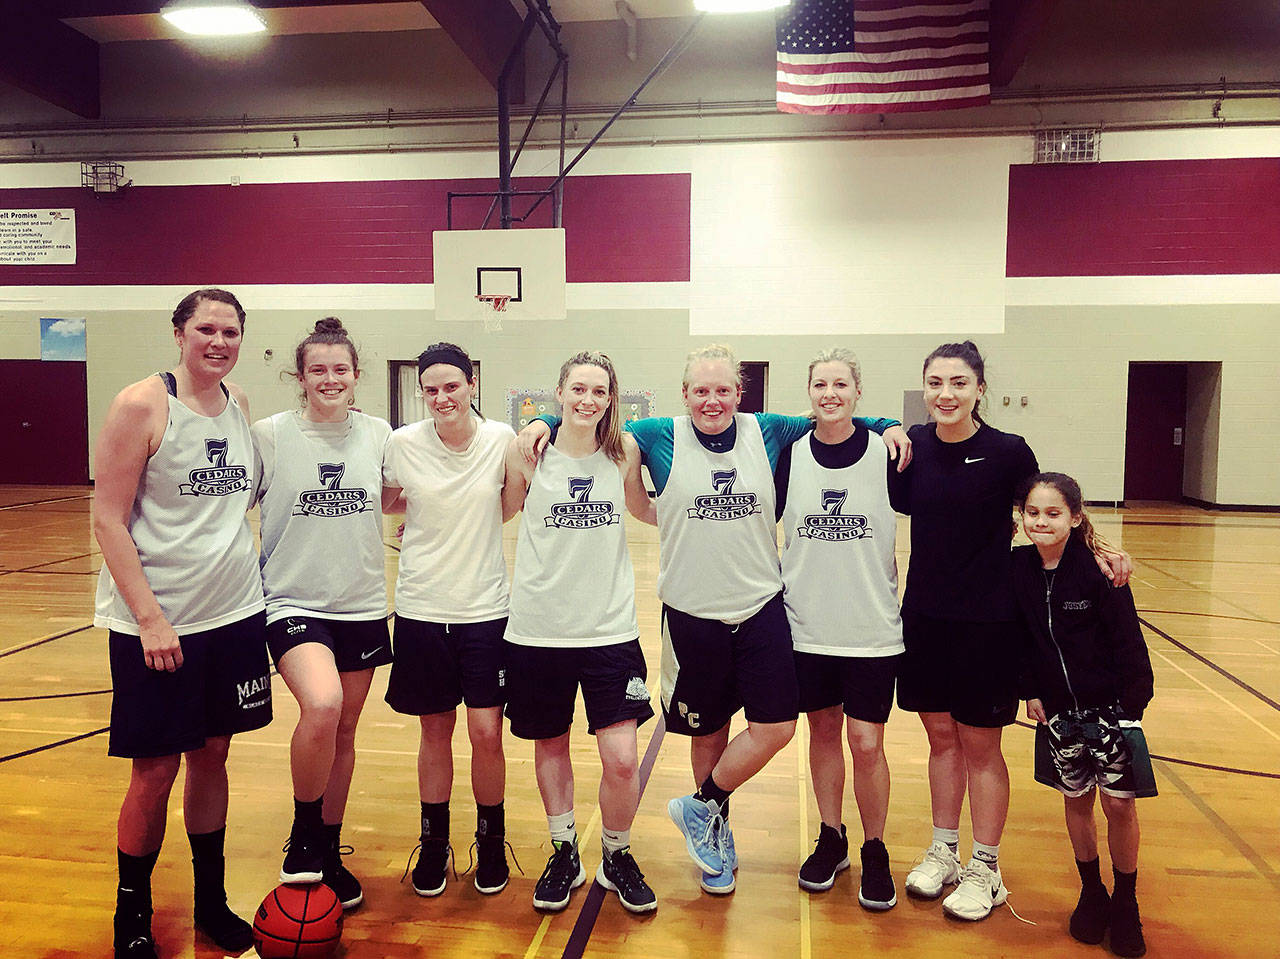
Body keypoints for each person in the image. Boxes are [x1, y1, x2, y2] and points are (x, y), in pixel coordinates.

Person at [518, 343, 910, 894]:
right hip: (690, 616)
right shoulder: (657, 434)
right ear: (684, 395)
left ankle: (702, 805)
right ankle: (714, 842)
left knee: (776, 726)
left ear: (739, 394)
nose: (712, 400)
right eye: (701, 390)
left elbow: (836, 413)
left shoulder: (769, 430)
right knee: (708, 731)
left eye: (723, 389)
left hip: (760, 609)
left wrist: (888, 423)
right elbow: (591, 421)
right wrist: (545, 418)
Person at [889, 340, 1130, 922]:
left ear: (978, 390)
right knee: (940, 739)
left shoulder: (1007, 451)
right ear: (925, 388)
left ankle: (986, 867)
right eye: (936, 383)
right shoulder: (911, 447)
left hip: (989, 622)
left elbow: (1049, 507)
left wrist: (1098, 549)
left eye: (958, 383)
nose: (946, 394)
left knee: (980, 745)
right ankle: (945, 849)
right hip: (925, 615)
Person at [93, 289, 269, 959]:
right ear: (179, 333)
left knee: (214, 754)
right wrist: (150, 619)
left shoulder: (239, 404)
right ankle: (130, 913)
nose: (218, 340)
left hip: (232, 614)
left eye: (230, 330)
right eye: (205, 328)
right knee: (155, 769)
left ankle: (211, 898)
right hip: (158, 622)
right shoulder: (142, 404)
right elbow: (107, 517)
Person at [501, 351, 660, 915]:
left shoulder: (624, 454)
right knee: (551, 742)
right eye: (578, 389)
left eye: (600, 391)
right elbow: (496, 512)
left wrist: (722, 517)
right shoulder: (528, 452)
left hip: (609, 630)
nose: (588, 400)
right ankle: (564, 849)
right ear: (560, 391)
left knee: (621, 757)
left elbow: (645, 511)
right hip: (539, 630)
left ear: (611, 397)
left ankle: (616, 853)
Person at [251, 317, 395, 910]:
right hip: (291, 600)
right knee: (324, 703)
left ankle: (329, 849)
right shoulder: (269, 435)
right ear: (300, 376)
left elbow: (396, 494)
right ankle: (304, 834)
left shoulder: (380, 433)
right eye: (318, 370)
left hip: (361, 603)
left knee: (344, 729)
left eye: (341, 369)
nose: (330, 379)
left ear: (357, 376)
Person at [382, 342, 518, 898]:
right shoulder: (401, 443)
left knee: (486, 732)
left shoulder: (502, 441)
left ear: (472, 385)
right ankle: (435, 844)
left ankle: (490, 841)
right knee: (434, 732)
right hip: (419, 608)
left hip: (485, 610)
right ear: (422, 392)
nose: (441, 397)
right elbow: (390, 499)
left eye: (452, 386)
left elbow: (509, 504)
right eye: (430, 389)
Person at [776, 348, 901, 911]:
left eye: (841, 384)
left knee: (867, 742)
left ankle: (876, 848)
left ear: (857, 392)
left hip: (872, 628)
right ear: (809, 393)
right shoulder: (791, 454)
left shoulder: (888, 452)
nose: (830, 393)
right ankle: (833, 836)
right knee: (823, 735)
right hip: (807, 627)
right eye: (820, 384)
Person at [1014, 472, 1155, 958]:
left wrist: (1130, 707)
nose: (1041, 522)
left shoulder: (1100, 571)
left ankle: (1126, 901)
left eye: (1053, 513)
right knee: (1076, 801)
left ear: (1075, 517)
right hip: (1058, 715)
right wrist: (1029, 690)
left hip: (1110, 711)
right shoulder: (1018, 568)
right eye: (1033, 512)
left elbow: (1129, 644)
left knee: (1119, 804)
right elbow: (1024, 642)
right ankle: (1092, 891)